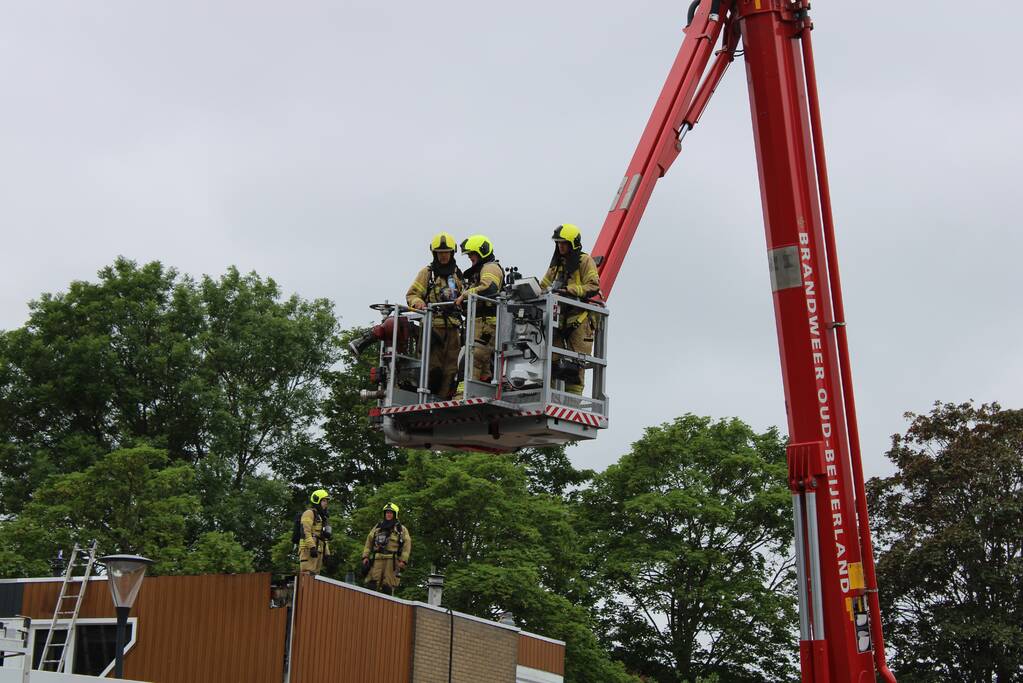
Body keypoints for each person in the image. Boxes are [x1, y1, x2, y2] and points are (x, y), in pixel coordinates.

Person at [541, 224, 603, 395]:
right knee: (552, 362)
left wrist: (571, 290)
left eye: (564, 243)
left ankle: (573, 401)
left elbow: (593, 286)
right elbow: (543, 286)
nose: (560, 246)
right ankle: (552, 397)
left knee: (577, 364)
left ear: (573, 243)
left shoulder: (585, 261)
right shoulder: (557, 264)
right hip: (559, 320)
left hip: (580, 320)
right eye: (558, 243)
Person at [406, 232, 465, 398]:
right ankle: (427, 397)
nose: (444, 256)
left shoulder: (457, 274)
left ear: (452, 253)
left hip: (453, 329)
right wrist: (418, 303)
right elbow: (412, 295)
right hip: (433, 328)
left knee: (452, 369)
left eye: (446, 252)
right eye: (440, 253)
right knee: (433, 367)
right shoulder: (427, 273)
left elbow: (465, 296)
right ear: (435, 254)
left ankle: (443, 398)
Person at [453, 234, 503, 399]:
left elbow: (489, 288)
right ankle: (476, 393)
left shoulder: (490, 268)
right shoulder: (480, 271)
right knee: (481, 364)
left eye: (471, 254)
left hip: (487, 325)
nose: (469, 257)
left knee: (472, 358)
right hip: (479, 324)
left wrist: (465, 294)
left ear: (481, 252)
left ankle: (463, 395)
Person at [361, 502, 412, 595]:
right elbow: (369, 541)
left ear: (395, 514)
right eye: (387, 513)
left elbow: (407, 545)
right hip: (377, 559)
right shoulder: (378, 527)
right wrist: (365, 556)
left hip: (391, 561)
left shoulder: (401, 529)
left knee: (387, 586)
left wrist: (403, 561)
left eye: (391, 513)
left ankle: (386, 608)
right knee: (372, 584)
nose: (388, 514)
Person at [299, 489, 332, 575]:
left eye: (327, 501)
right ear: (317, 500)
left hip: (319, 550)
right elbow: (305, 532)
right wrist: (312, 547)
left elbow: (323, 537)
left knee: (315, 577)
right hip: (308, 550)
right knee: (307, 574)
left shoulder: (322, 517)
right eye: (324, 500)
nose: (326, 503)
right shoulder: (309, 513)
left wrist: (327, 553)